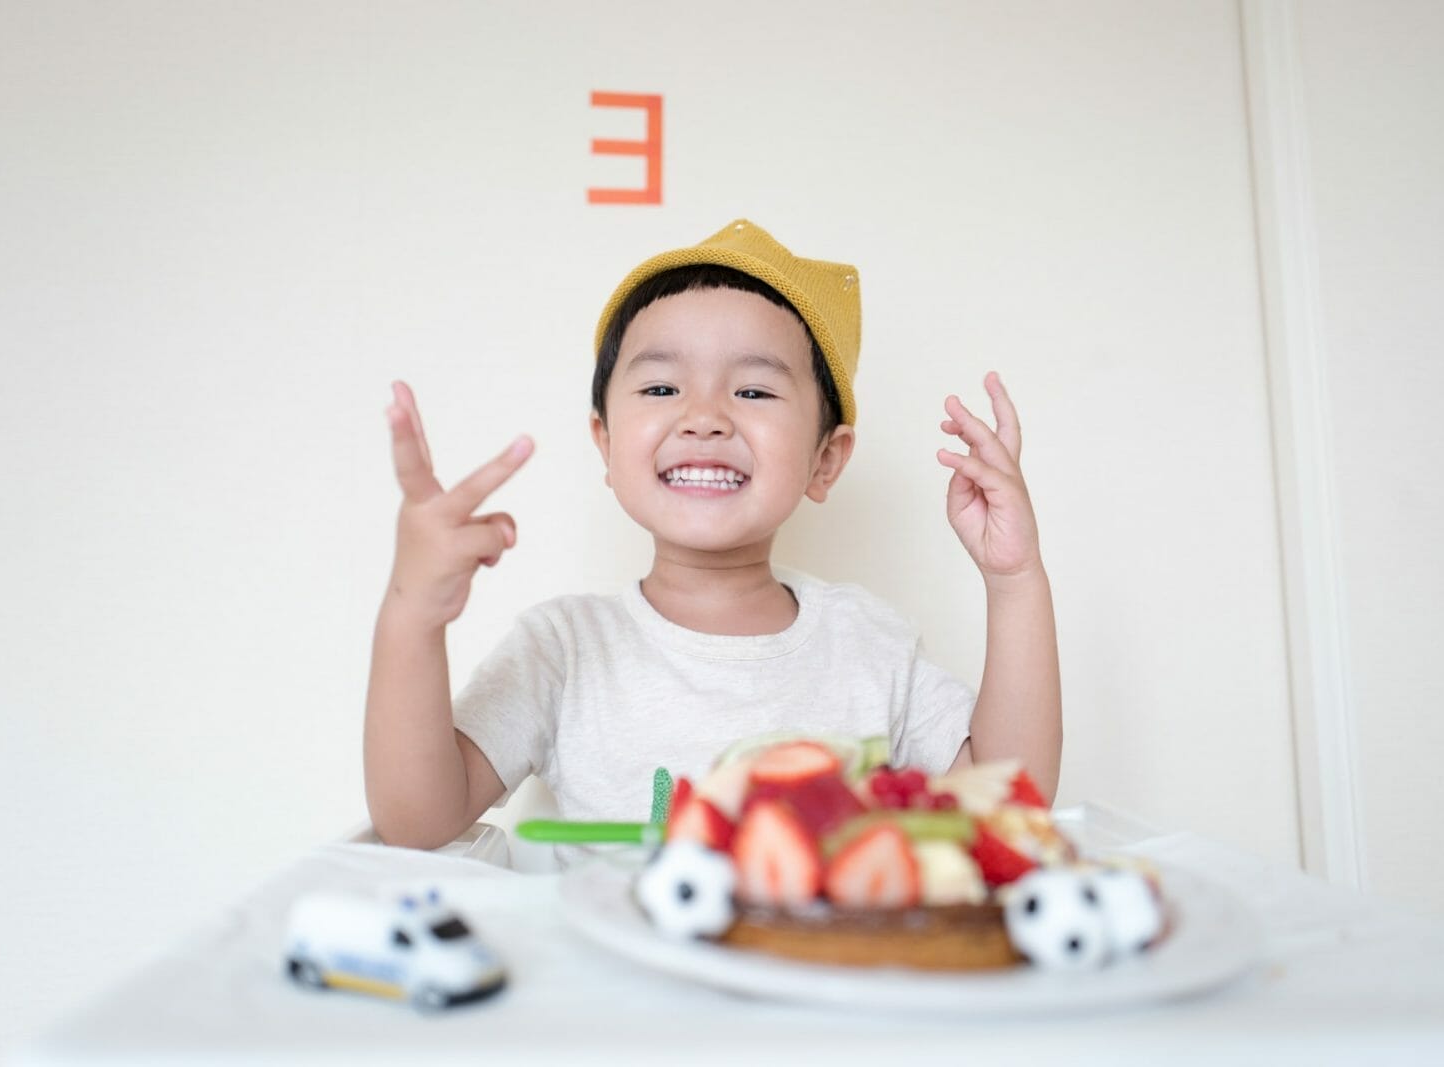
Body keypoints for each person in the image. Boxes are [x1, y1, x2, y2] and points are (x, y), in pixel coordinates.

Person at [363, 220, 1061, 850]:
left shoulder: (872, 646)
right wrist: (412, 612)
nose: (703, 417)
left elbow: (1006, 806)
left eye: (753, 391)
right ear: (605, 444)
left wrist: (1015, 582)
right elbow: (417, 821)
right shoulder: (563, 649)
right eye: (662, 389)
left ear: (825, 458)